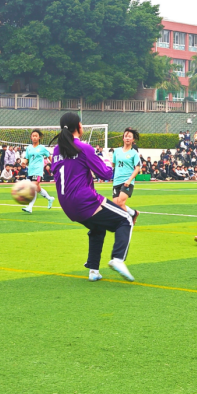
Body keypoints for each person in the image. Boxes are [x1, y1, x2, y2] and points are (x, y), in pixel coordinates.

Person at [51, 112, 135, 282]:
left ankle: (93, 270)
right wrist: (107, 161)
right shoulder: (84, 148)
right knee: (126, 219)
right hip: (84, 200)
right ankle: (118, 259)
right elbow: (105, 174)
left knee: (98, 228)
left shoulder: (57, 150)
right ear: (78, 126)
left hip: (66, 204)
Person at [111, 128, 141, 223]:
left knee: (120, 202)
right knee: (116, 204)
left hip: (127, 181)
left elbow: (137, 168)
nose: (127, 138)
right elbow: (113, 164)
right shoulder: (116, 151)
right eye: (126, 136)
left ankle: (127, 221)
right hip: (117, 180)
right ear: (123, 138)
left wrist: (129, 180)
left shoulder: (134, 153)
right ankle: (134, 213)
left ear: (133, 139)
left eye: (129, 137)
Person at [22, 129, 55, 213]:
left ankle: (30, 207)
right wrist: (24, 162)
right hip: (30, 170)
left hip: (38, 171)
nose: (34, 137)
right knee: (37, 189)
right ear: (31, 137)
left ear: (39, 137)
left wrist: (54, 166)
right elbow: (27, 158)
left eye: (36, 136)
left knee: (32, 187)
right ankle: (49, 198)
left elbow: (49, 157)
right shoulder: (29, 148)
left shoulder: (42, 148)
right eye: (33, 136)